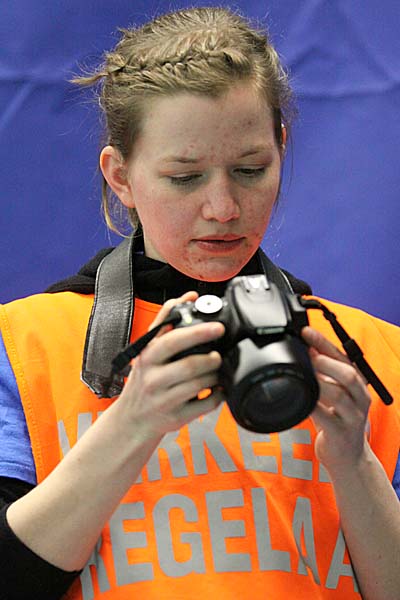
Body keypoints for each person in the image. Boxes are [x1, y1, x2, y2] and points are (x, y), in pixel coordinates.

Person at [0, 6, 399, 600]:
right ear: (120, 176)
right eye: (185, 177)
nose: (223, 208)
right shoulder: (22, 346)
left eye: (250, 169)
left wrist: (354, 462)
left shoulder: (375, 354)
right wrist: (129, 425)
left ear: (281, 149)